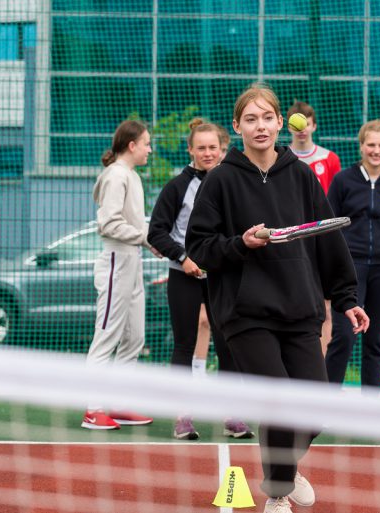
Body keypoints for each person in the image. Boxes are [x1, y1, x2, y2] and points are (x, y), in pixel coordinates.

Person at [185, 83, 369, 513]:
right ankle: (279, 492)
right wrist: (241, 244)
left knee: (314, 408)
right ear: (237, 126)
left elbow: (327, 239)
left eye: (267, 117)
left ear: (281, 123)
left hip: (300, 308)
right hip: (245, 314)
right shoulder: (220, 180)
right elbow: (200, 247)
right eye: (251, 119)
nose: (260, 126)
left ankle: (286, 468)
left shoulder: (301, 176)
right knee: (279, 401)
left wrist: (346, 297)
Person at [148, 118, 254, 440]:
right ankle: (183, 416)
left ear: (223, 149)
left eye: (213, 148)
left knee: (228, 345)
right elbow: (156, 232)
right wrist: (184, 257)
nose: (208, 153)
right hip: (184, 276)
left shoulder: (233, 183)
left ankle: (231, 415)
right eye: (201, 148)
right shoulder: (176, 187)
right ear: (190, 150)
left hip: (222, 277)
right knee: (184, 344)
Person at [324, 119, 380, 389]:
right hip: (350, 268)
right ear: (361, 146)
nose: (376, 150)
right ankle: (325, 400)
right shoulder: (343, 180)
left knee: (375, 339)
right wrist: (329, 269)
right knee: (344, 335)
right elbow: (329, 228)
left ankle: (370, 404)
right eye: (371, 144)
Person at [82, 119, 157, 430]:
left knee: (135, 337)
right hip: (116, 261)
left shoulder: (131, 175)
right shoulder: (115, 176)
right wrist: (146, 238)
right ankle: (93, 409)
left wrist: (151, 238)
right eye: (146, 144)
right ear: (132, 145)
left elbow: (135, 224)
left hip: (132, 261)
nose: (149, 149)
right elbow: (109, 224)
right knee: (107, 336)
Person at [287, 100, 343, 355]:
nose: (302, 129)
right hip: (289, 241)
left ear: (314, 126)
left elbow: (335, 203)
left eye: (306, 124)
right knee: (291, 305)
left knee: (325, 309)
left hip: (321, 241)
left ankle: (321, 368)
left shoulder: (329, 159)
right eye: (297, 124)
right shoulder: (281, 158)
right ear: (288, 127)